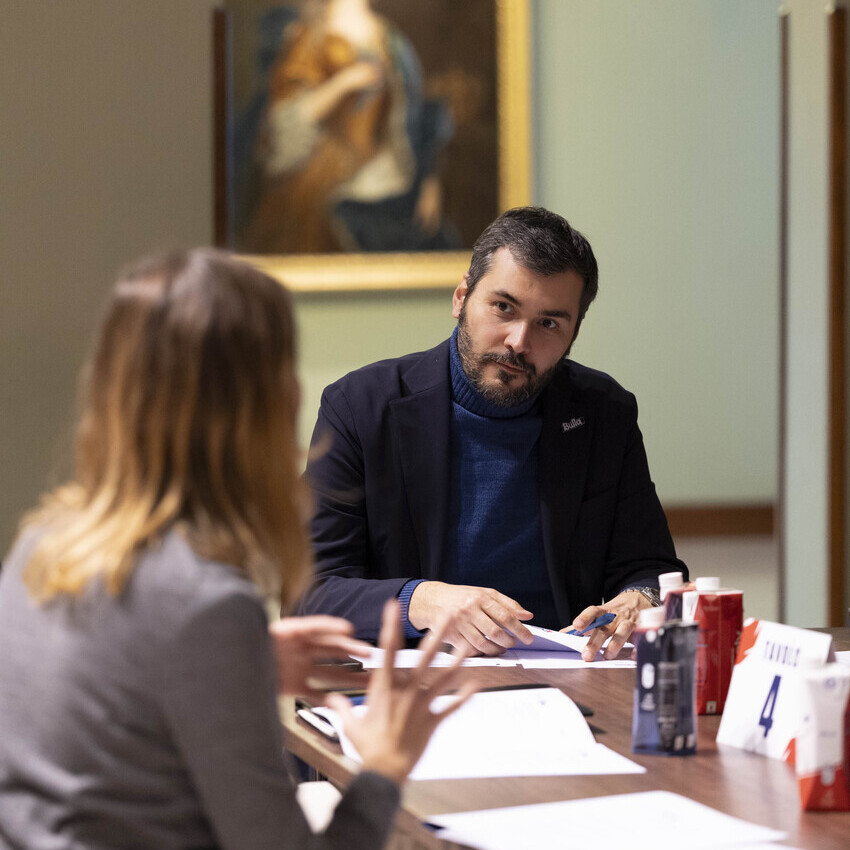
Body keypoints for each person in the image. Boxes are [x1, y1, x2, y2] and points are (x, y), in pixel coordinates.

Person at [0, 249, 474, 849]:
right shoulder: (207, 604)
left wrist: (243, 661)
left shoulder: (41, 543)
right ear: (266, 405)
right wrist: (382, 770)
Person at [298, 206, 688, 661]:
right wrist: (421, 600)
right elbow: (309, 593)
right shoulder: (361, 407)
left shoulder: (604, 413)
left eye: (549, 323)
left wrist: (641, 599)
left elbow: (651, 569)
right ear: (461, 297)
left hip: (566, 677)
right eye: (503, 308)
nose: (519, 341)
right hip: (411, 679)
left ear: (573, 335)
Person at [239, 0, 458, 254]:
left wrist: (428, 180)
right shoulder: (311, 36)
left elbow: (413, 118)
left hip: (386, 176)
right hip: (324, 174)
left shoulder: (391, 40)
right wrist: (344, 83)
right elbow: (288, 118)